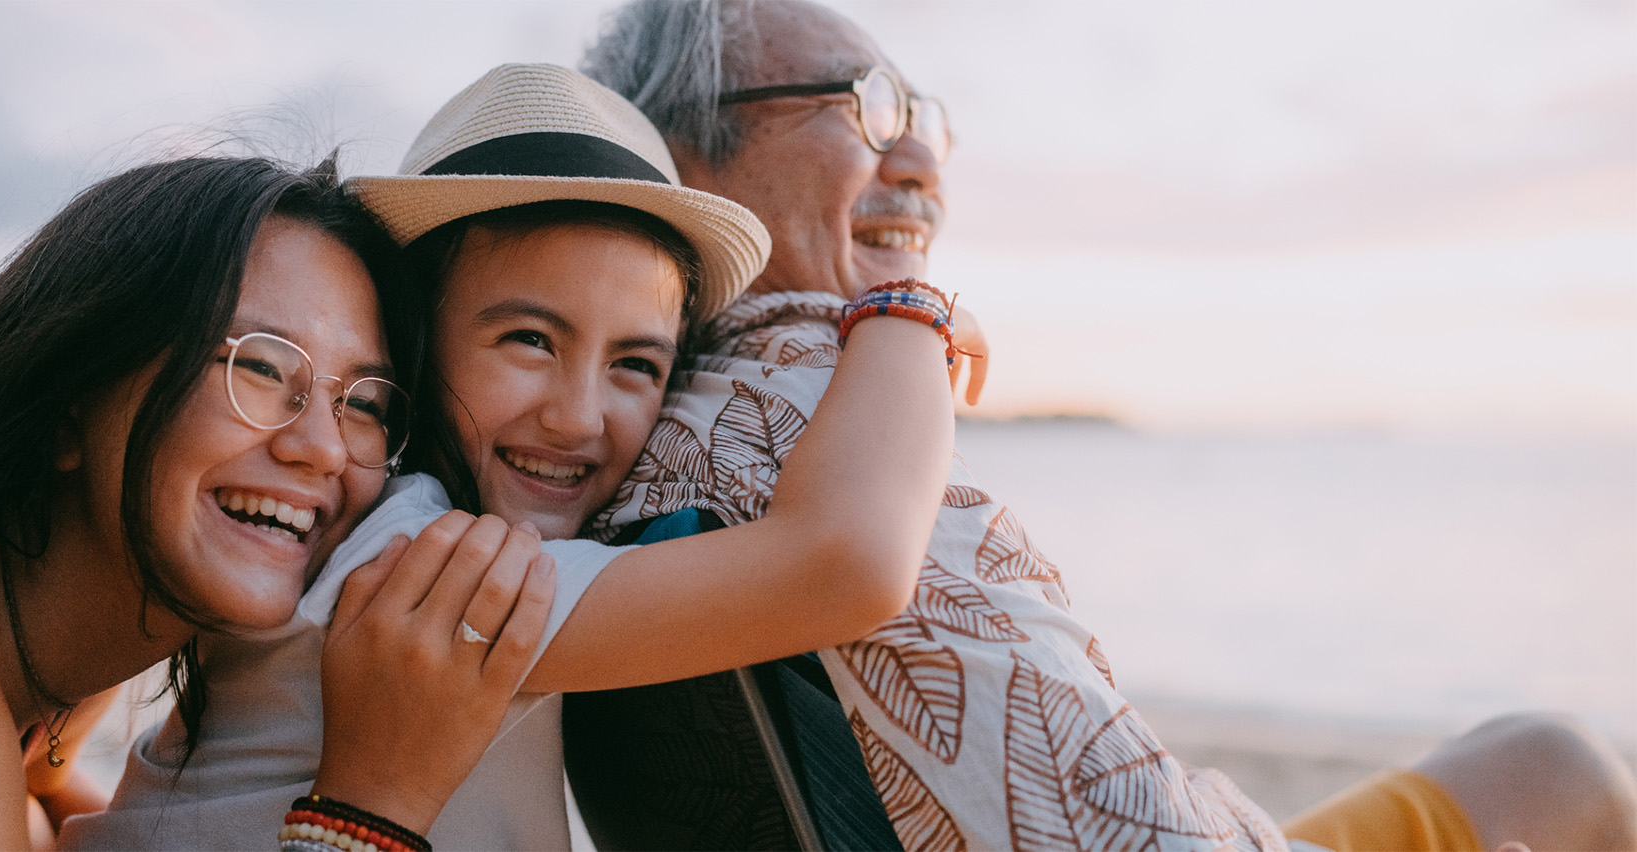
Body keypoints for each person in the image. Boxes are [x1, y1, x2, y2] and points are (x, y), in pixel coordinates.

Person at [569, 2, 1637, 851]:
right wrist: (907, 319)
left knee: (1535, 752)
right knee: (1564, 775)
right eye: (867, 107)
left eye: (923, 116)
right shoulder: (815, 410)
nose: (922, 164)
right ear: (677, 155)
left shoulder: (618, 434)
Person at [61, 62, 964, 851]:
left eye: (636, 364)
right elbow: (848, 564)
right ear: (411, 342)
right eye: (531, 340)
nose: (577, 419)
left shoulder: (355, 524)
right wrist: (908, 315)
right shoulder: (428, 568)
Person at [0, 156, 555, 851]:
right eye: (260, 369)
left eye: (361, 404)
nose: (321, 447)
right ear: (70, 396)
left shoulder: (59, 678)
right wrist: (369, 806)